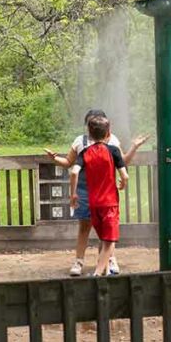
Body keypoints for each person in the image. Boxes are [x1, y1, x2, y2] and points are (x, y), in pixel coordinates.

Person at [45, 109, 147, 276]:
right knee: (86, 225)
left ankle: (109, 260)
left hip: (103, 191)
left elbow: (123, 161)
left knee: (105, 227)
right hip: (85, 190)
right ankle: (79, 261)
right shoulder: (80, 142)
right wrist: (55, 158)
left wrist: (134, 147)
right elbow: (69, 163)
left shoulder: (112, 142)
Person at [69, 115, 128, 277]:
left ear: (89, 133)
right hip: (109, 203)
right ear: (109, 134)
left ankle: (106, 271)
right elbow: (125, 175)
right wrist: (123, 182)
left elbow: (74, 172)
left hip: (93, 203)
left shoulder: (85, 152)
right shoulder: (113, 151)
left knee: (103, 236)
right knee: (109, 240)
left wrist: (73, 194)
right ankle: (97, 273)